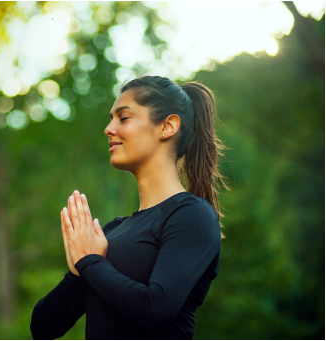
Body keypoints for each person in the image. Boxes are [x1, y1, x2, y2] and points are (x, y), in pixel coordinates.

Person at [30, 76, 228, 339]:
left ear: (167, 126)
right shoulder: (111, 232)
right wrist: (78, 272)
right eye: (111, 118)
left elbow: (154, 308)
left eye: (123, 118)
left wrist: (90, 263)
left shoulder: (193, 215)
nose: (109, 129)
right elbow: (43, 329)